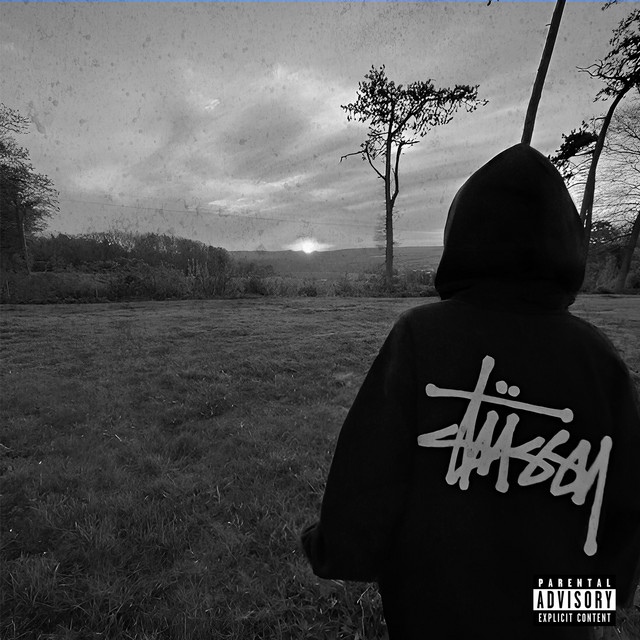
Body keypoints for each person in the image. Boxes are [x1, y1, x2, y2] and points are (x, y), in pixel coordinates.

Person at [300, 143, 640, 639]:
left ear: (462, 235)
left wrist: (335, 547)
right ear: (566, 242)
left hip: (432, 610)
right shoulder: (598, 359)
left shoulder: (421, 337)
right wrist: (582, 607)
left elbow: (371, 470)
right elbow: (627, 508)